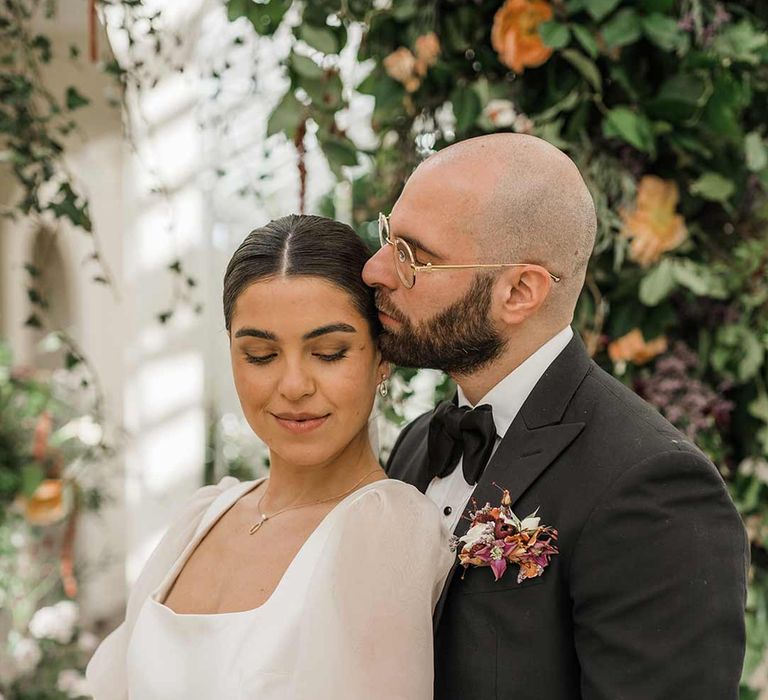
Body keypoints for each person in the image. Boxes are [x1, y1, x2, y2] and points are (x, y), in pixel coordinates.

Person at [362, 133, 749, 700]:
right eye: (386, 237)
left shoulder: (653, 488)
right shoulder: (419, 443)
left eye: (414, 257)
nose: (375, 270)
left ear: (519, 291)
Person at [85, 214, 454, 699]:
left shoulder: (384, 530)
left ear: (381, 356)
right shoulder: (201, 517)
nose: (294, 386)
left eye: (329, 352)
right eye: (260, 355)